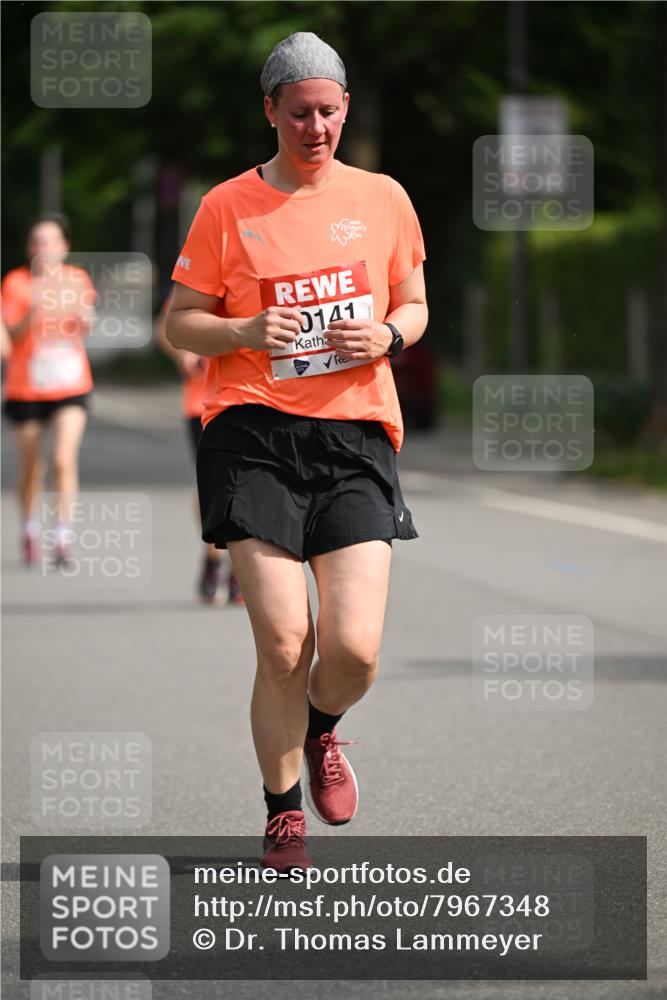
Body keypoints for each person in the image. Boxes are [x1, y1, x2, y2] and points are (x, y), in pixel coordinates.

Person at [167, 32, 428, 872]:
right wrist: (241, 329)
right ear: (270, 111)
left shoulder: (383, 196)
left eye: (328, 111)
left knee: (351, 649)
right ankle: (282, 813)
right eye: (299, 112)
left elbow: (415, 301)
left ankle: (322, 733)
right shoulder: (225, 207)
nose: (315, 127)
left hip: (354, 432)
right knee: (283, 640)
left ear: (345, 108)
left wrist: (386, 333)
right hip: (251, 432)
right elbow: (179, 321)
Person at [2, 214, 95, 567]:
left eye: (51, 242)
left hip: (70, 384)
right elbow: (9, 338)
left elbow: (86, 322)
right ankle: (29, 527)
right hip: (26, 387)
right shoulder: (16, 283)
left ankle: (62, 537)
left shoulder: (77, 279)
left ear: (64, 247)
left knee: (62, 459)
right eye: (38, 242)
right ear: (30, 249)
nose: (45, 249)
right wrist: (34, 308)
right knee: (31, 468)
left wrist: (86, 318)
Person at [155, 290, 244, 605]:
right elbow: (165, 325)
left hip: (246, 396)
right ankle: (212, 556)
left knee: (246, 483)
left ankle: (239, 568)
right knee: (210, 483)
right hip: (202, 401)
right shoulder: (201, 272)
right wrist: (181, 353)